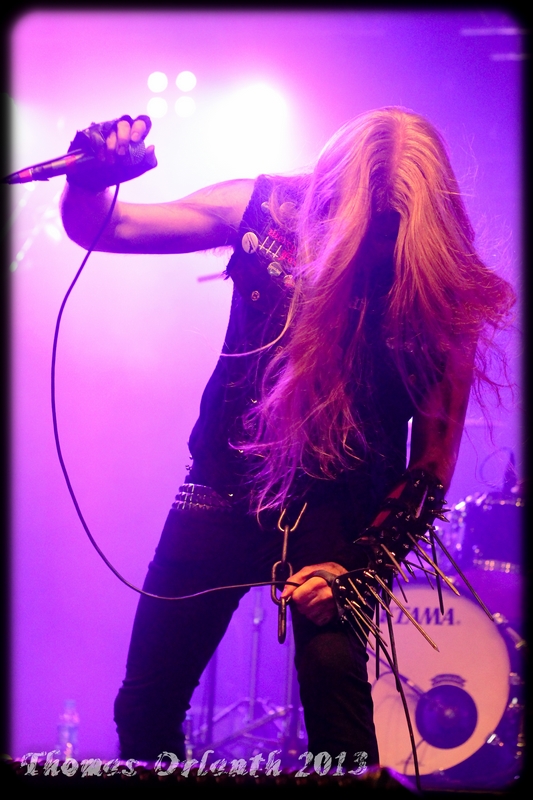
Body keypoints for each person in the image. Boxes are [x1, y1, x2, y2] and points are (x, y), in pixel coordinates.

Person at [60, 107, 514, 769]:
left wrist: (358, 568)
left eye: (391, 230)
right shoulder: (266, 209)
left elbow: (432, 465)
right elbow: (106, 227)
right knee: (145, 710)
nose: (374, 247)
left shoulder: (444, 289)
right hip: (221, 492)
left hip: (340, 521)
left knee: (340, 724)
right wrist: (89, 181)